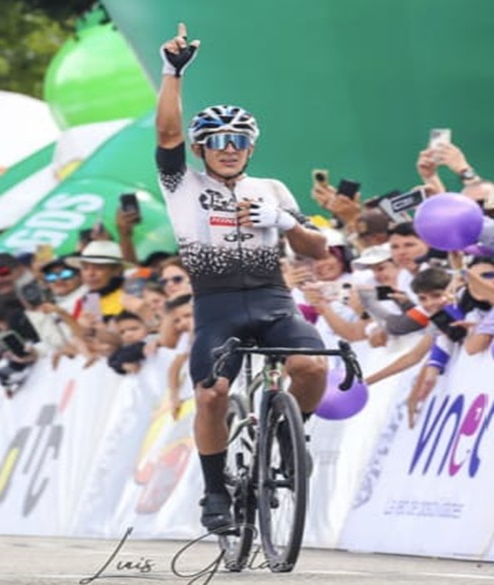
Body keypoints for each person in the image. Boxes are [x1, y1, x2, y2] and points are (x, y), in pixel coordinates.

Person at [157, 23, 329, 532]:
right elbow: (166, 134)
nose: (229, 148)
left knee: (314, 368)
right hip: (218, 308)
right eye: (218, 142)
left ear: (250, 148)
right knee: (211, 395)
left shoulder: (271, 188)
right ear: (201, 149)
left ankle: (289, 438)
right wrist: (172, 73)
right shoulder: (182, 186)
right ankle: (214, 491)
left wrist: (284, 222)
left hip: (274, 301)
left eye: (239, 141)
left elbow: (318, 249)